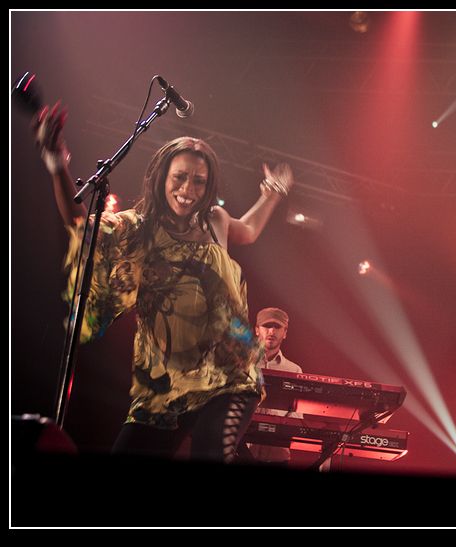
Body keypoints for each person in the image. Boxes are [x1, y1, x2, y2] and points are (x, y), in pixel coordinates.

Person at [34, 102, 294, 462]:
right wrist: (56, 165)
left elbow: (248, 229)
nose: (188, 189)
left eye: (199, 181)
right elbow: (81, 222)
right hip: (164, 384)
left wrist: (273, 192)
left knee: (210, 452)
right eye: (180, 177)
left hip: (228, 376)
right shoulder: (140, 228)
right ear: (162, 178)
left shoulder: (215, 219)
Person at [245, 307, 303, 465]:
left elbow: (297, 415)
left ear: (285, 333)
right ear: (257, 330)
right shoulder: (242, 363)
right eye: (267, 326)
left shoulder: (294, 370)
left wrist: (277, 429)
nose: (271, 331)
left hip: (277, 457)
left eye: (277, 327)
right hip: (240, 451)